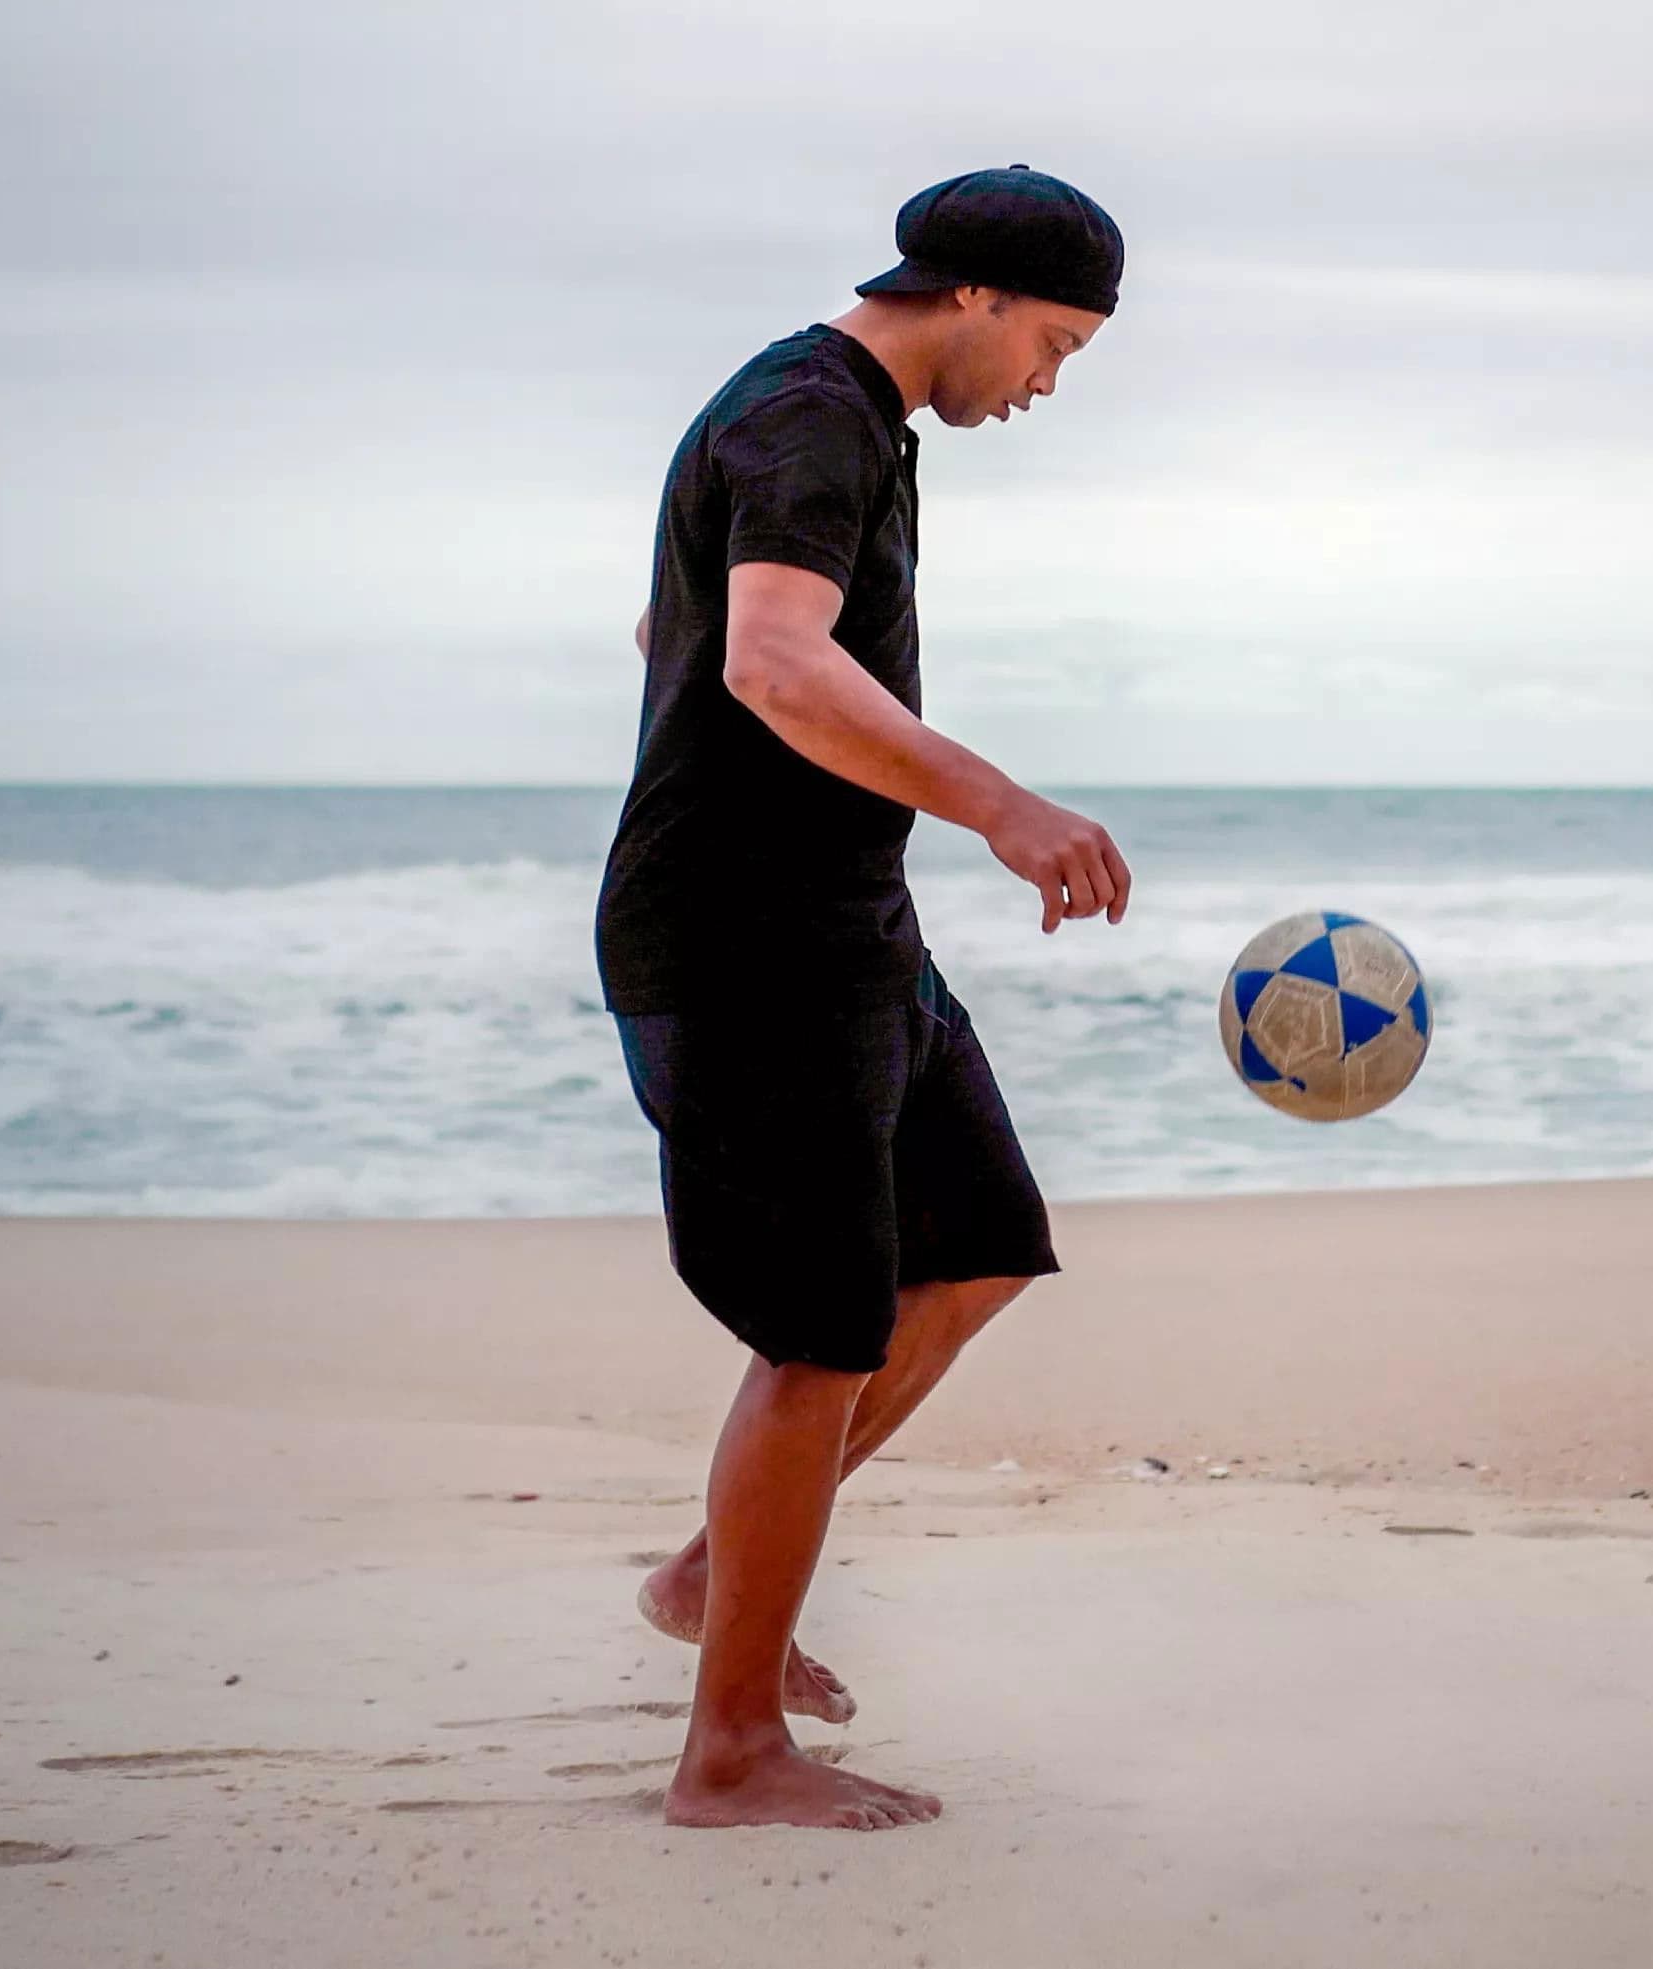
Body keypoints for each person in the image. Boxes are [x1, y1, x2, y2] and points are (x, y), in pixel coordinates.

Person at [595, 165, 1133, 1832]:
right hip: (749, 943)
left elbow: (670, 632)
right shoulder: (810, 410)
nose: (1047, 383)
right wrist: (1001, 803)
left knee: (976, 1246)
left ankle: (715, 1572)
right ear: (969, 293)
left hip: (844, 919)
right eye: (1051, 342)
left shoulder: (844, 424)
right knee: (816, 1336)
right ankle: (730, 1751)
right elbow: (764, 658)